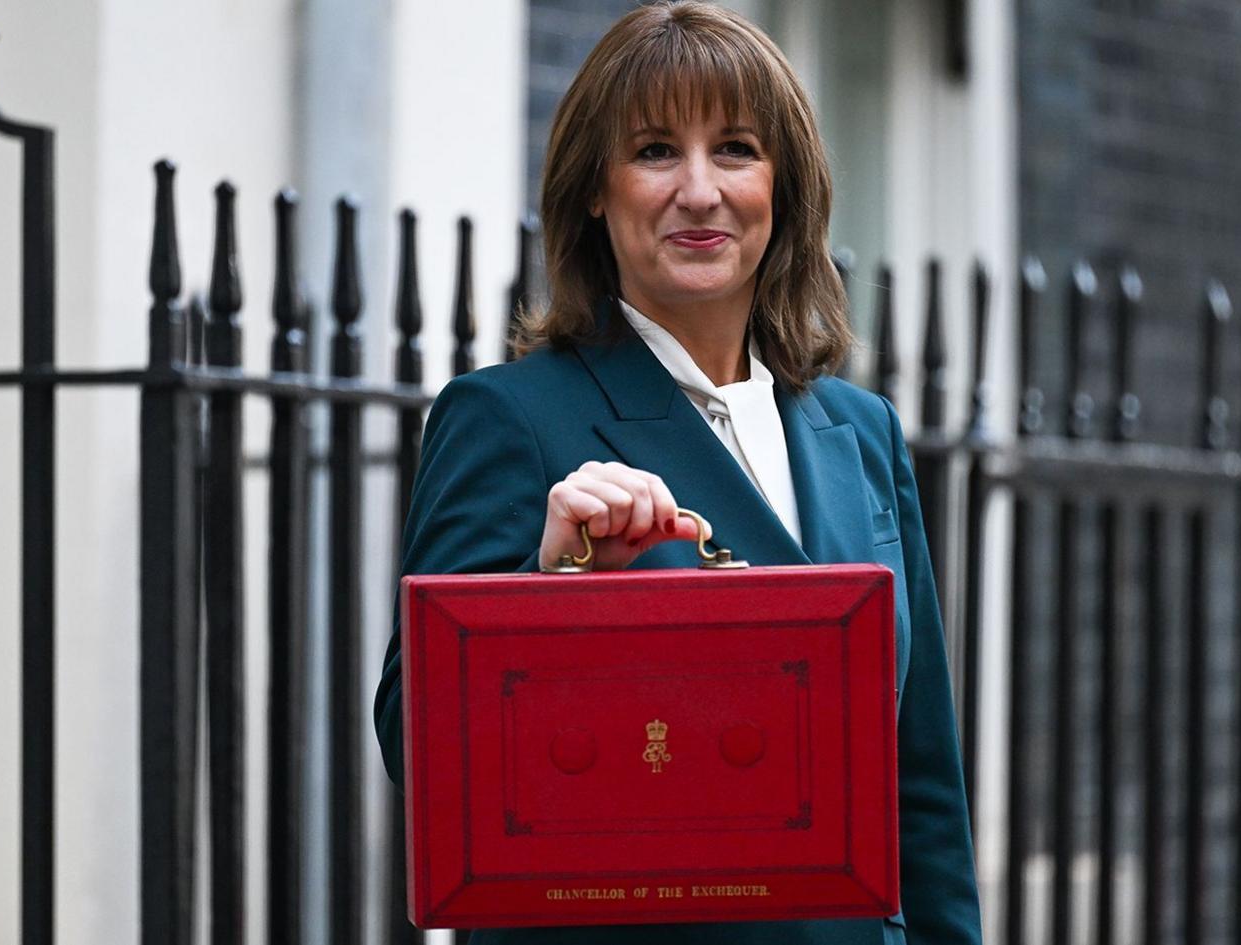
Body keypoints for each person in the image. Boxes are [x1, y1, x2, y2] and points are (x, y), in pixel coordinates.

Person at [374, 4, 982, 943]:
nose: (700, 191)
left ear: (783, 187)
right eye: (656, 150)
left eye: (735, 148)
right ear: (593, 189)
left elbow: (922, 782)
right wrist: (546, 589)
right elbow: (419, 755)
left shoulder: (862, 433)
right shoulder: (509, 417)